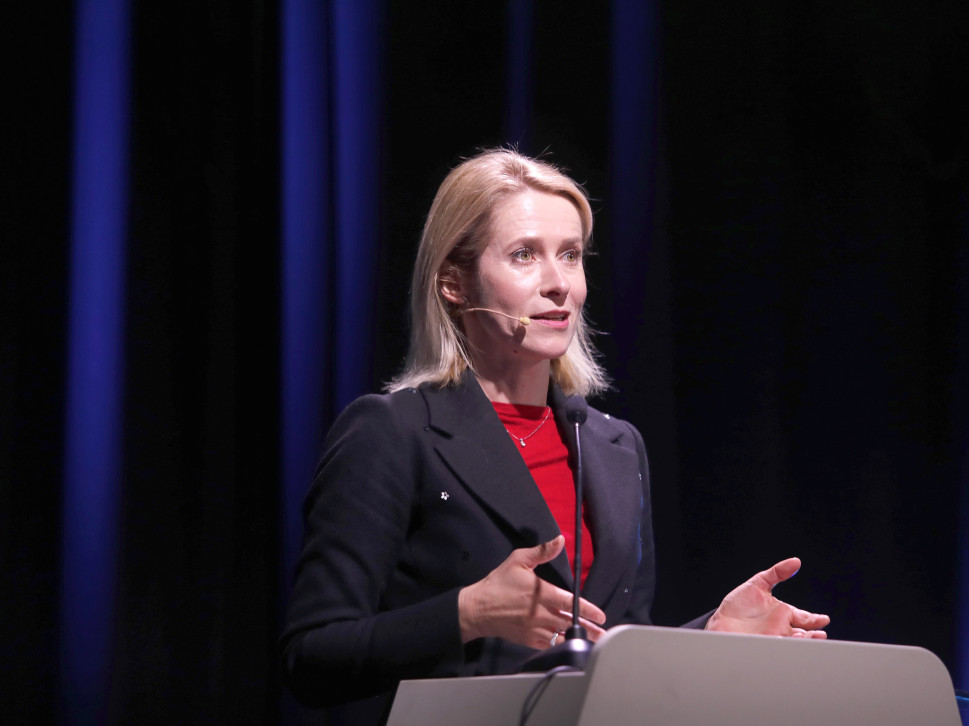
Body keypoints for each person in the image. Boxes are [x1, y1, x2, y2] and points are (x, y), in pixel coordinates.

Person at [279, 149, 829, 718]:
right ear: (453, 283)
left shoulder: (615, 447)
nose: (559, 284)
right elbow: (311, 657)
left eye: (570, 256)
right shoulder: (392, 432)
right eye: (524, 256)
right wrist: (468, 612)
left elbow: (609, 653)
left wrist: (714, 633)